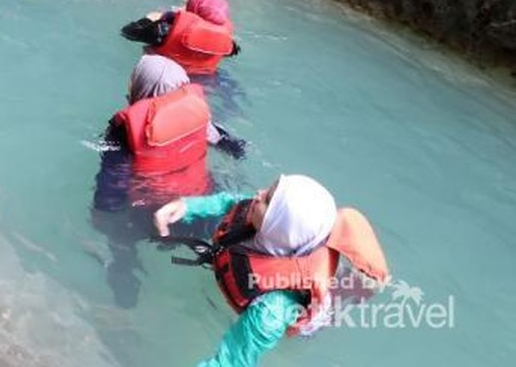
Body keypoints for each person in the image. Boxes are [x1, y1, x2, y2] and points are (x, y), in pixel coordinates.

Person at [153, 174, 389, 367]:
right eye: (268, 191)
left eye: (267, 200)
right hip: (278, 263)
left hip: (291, 313)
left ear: (281, 227)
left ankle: (354, 287)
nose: (258, 194)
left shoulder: (271, 310)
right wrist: (187, 206)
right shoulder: (267, 221)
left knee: (324, 312)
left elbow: (232, 362)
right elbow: (231, 202)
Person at [91, 54, 245, 309]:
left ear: (142, 87)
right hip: (200, 209)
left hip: (150, 217)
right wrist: (238, 150)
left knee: (120, 240)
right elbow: (231, 145)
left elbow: (112, 183)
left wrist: (103, 215)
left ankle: (124, 285)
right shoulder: (196, 113)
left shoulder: (125, 130)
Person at [120, 0, 240, 76]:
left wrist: (150, 18)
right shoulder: (228, 44)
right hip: (206, 79)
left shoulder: (165, 30)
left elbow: (128, 32)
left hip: (163, 76)